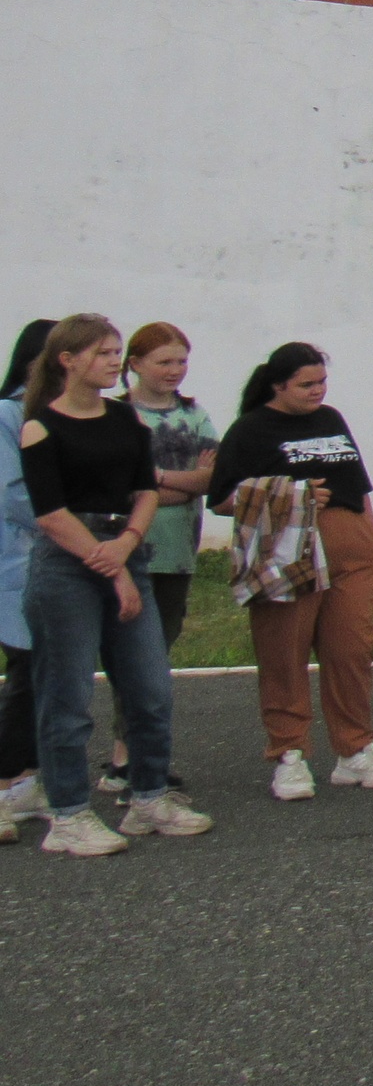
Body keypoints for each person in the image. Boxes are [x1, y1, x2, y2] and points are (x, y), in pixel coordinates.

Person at [17, 313, 211, 854]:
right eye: (104, 353)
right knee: (68, 697)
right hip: (65, 565)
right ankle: (69, 816)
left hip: (124, 550)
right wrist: (113, 566)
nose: (112, 362)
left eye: (116, 352)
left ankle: (148, 798)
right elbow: (51, 513)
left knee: (150, 687)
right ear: (69, 360)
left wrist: (127, 546)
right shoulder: (41, 427)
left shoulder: (128, 422)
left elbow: (145, 489)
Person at [207, 342, 373, 800]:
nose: (317, 391)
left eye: (322, 382)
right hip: (288, 550)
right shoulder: (251, 429)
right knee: (284, 653)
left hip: (350, 550)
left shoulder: (331, 419)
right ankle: (289, 754)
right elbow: (221, 499)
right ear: (278, 385)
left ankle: (355, 750)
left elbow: (359, 482)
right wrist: (290, 494)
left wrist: (369, 538)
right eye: (306, 384)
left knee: (351, 651)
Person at [105, 321, 220, 794]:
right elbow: (116, 483)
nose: (175, 370)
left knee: (158, 649)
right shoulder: (114, 416)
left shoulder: (195, 415)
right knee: (129, 654)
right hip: (126, 548)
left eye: (181, 361)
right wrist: (173, 481)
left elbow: (210, 478)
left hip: (176, 552)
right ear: (134, 364)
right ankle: (124, 757)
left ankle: (135, 755)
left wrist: (152, 482)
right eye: (164, 362)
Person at [0, 318, 55, 841]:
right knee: (28, 668)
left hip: (57, 559)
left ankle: (30, 777)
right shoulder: (8, 414)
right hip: (17, 561)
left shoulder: (60, 414)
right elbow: (14, 494)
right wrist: (70, 520)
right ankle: (8, 779)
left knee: (48, 673)